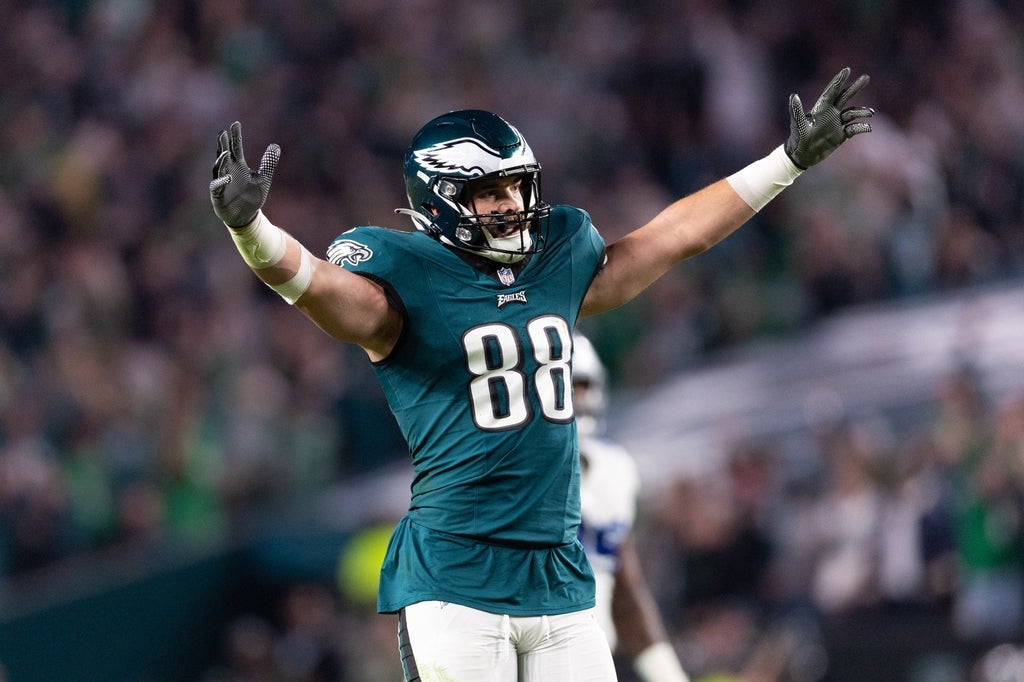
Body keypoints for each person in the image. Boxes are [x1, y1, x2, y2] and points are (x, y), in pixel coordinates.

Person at [208, 67, 873, 682]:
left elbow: (674, 237)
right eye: (489, 192)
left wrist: (786, 162)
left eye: (515, 186)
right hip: (457, 574)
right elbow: (323, 291)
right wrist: (250, 229)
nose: (511, 204)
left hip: (558, 570)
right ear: (440, 200)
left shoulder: (557, 259)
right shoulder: (401, 275)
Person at [573, 334, 690, 682]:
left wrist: (668, 675)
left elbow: (625, 592)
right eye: (563, 385)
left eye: (581, 385)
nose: (576, 398)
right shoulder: (503, 471)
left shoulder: (613, 470)